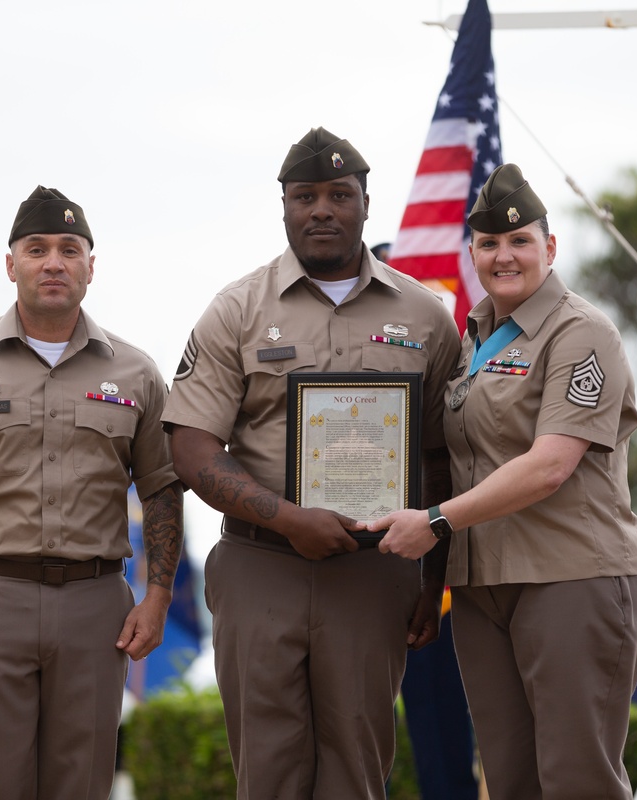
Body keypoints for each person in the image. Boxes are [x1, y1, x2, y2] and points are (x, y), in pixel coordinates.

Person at [161, 127, 461, 798]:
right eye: (305, 197)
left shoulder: (423, 315)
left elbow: (443, 457)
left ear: (364, 203)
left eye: (338, 195)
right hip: (261, 564)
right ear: (286, 207)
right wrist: (288, 517)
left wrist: (431, 580)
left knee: (359, 764)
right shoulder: (237, 310)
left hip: (373, 571)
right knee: (267, 769)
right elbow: (191, 445)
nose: (321, 209)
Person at [368, 163, 637, 800]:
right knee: (509, 782)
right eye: (490, 243)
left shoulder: (581, 332)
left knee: (577, 780)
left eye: (520, 240)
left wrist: (437, 521)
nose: (505, 256)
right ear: (471, 252)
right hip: (483, 587)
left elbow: (551, 463)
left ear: (549, 248)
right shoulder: (470, 338)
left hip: (572, 578)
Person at [0, 186, 184, 800]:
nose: (53, 262)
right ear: (11, 263)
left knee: (84, 783)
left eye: (69, 250)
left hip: (95, 606)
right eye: (37, 248)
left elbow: (161, 491)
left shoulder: (135, 373)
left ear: (90, 267)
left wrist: (158, 597)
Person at [371, 242, 479, 800]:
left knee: (444, 753)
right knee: (357, 749)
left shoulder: (446, 351)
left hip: (435, 579)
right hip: (355, 566)